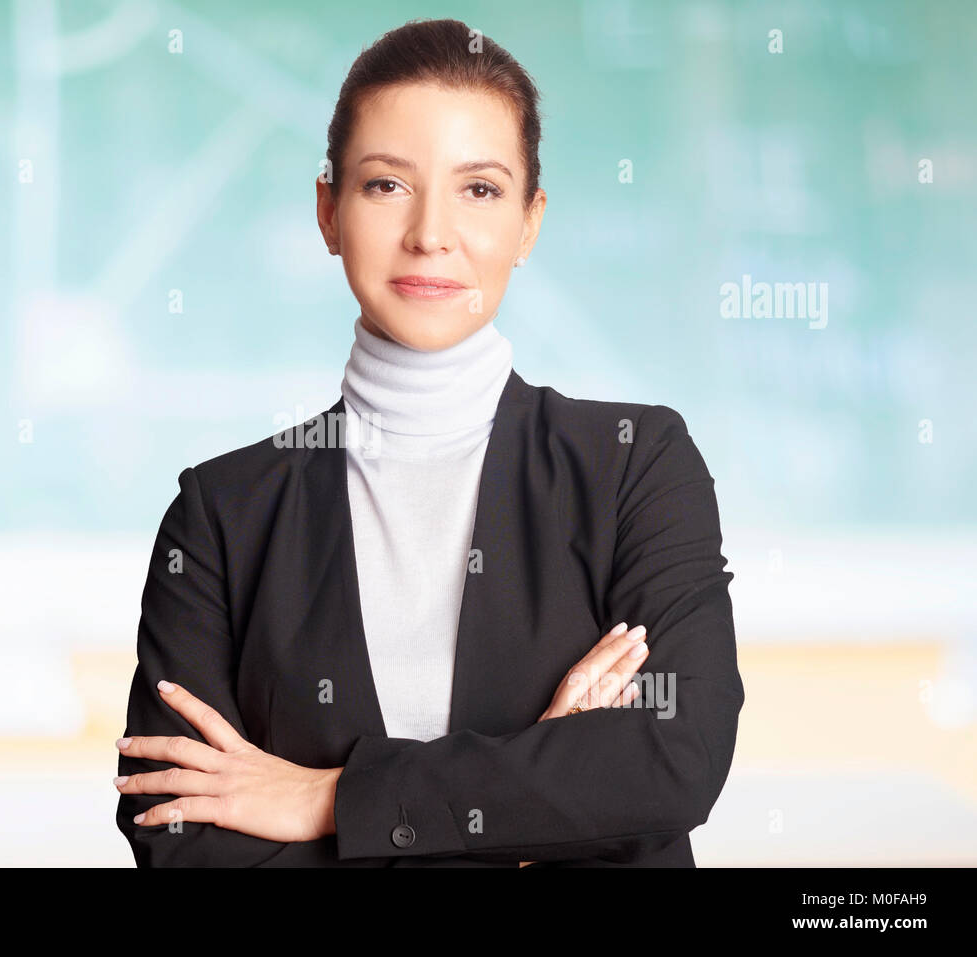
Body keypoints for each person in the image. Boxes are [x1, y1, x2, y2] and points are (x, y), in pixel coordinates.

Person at [114, 17, 744, 867]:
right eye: (386, 186)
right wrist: (529, 807)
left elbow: (676, 760)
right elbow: (178, 837)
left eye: (479, 189)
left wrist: (326, 798)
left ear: (530, 222)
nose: (430, 234)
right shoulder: (222, 515)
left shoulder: (635, 463)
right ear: (328, 210)